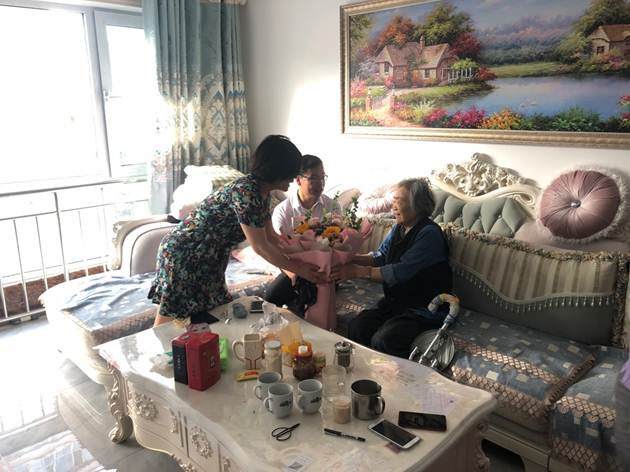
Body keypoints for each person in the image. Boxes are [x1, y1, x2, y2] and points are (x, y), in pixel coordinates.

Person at [149, 135, 327, 326]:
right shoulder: (247, 192)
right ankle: (155, 346)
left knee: (214, 317)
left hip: (211, 257)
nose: (293, 178)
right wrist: (298, 269)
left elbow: (272, 238)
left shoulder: (263, 194)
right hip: (185, 252)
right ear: (277, 169)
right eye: (290, 172)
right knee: (168, 319)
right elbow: (261, 247)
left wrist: (301, 256)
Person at [331, 178, 452, 358]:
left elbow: (400, 271)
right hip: (397, 304)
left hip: (424, 308)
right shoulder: (398, 228)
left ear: (417, 205)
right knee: (358, 326)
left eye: (398, 201)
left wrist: (356, 271)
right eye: (392, 200)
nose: (392, 206)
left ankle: (394, 376)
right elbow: (380, 257)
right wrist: (349, 258)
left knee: (384, 339)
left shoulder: (429, 234)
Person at [264, 154, 340, 310]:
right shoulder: (283, 211)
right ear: (298, 180)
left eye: (323, 177)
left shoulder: (332, 207)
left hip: (324, 269)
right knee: (271, 297)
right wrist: (295, 275)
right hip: (294, 268)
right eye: (314, 178)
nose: (320, 183)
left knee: (315, 297)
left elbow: (338, 242)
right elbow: (278, 250)